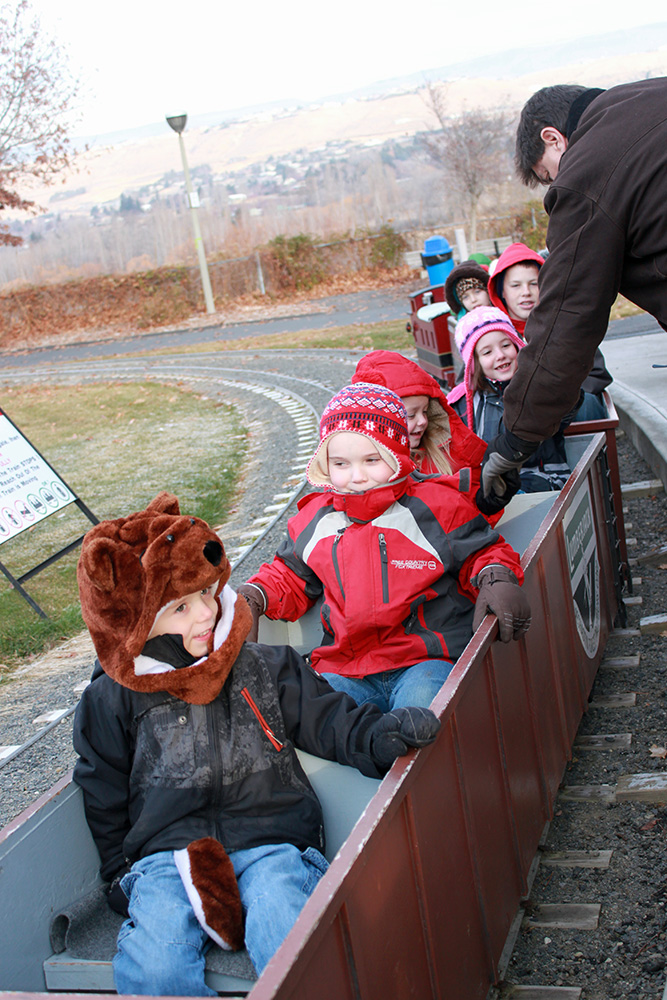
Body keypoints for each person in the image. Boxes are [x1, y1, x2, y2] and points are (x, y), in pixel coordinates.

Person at [73, 491, 440, 995]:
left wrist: (381, 737)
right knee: (157, 962)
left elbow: (330, 720)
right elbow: (103, 783)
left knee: (284, 922)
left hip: (272, 837)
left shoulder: (262, 666)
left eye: (206, 593)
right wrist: (119, 869)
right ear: (136, 627)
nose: (205, 614)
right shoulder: (112, 699)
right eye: (180, 608)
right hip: (166, 855)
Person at [238, 383, 530, 713]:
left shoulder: (434, 507)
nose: (357, 476)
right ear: (325, 463)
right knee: (312, 710)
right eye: (341, 464)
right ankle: (367, 752)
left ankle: (414, 754)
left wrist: (495, 577)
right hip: (347, 665)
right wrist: (254, 596)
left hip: (425, 658)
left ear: (397, 455)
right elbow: (290, 574)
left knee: (422, 709)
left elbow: (480, 551)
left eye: (371, 460)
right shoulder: (315, 519)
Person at [482, 78, 667, 503]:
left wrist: (513, 443)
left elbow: (566, 319)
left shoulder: (588, 170)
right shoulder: (648, 97)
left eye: (548, 176)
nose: (556, 187)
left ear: (553, 138)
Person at [447, 307, 571, 492]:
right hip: (490, 485)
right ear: (474, 362)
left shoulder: (538, 385)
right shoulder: (464, 403)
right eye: (487, 352)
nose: (500, 355)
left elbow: (568, 408)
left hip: (545, 479)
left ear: (517, 345)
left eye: (505, 345)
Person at [488, 242, 611, 421]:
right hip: (517, 420)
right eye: (515, 285)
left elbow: (596, 374)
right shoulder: (491, 333)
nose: (526, 292)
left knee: (589, 404)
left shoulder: (567, 324)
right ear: (502, 292)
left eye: (534, 284)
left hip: (568, 415)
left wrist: (560, 399)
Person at [350, 349, 487, 476]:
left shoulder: (446, 455)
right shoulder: (361, 473)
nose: (422, 421)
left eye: (426, 412)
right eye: (411, 415)